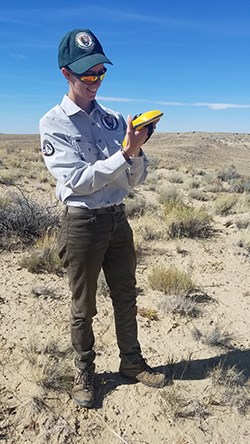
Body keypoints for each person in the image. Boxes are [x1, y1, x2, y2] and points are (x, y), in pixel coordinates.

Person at [39, 28, 166, 408]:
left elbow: (132, 178)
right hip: (83, 224)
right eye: (86, 75)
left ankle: (131, 362)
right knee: (84, 306)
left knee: (126, 296)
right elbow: (76, 181)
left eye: (100, 73)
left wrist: (137, 152)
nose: (94, 81)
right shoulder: (54, 124)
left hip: (117, 220)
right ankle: (85, 371)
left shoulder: (112, 120)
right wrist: (123, 155)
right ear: (66, 73)